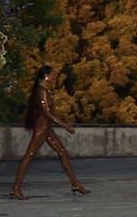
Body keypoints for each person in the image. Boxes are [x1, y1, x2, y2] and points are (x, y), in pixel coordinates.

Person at [8, 66, 88, 199]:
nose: (54, 77)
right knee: (30, 155)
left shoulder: (44, 90)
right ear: (46, 76)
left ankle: (75, 183)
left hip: (46, 129)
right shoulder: (42, 91)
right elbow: (47, 113)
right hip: (42, 129)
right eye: (53, 75)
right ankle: (16, 188)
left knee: (62, 152)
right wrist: (65, 126)